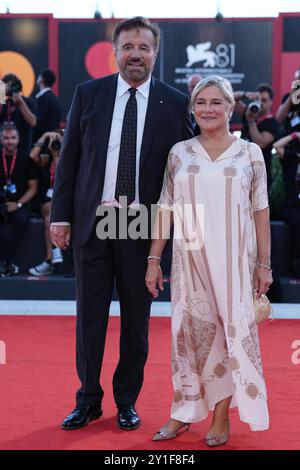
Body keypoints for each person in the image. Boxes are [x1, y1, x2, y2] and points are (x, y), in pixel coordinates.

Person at [50, 16, 193, 432]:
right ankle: (88, 399)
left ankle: (126, 401)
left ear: (155, 53)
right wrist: (60, 215)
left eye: (143, 47)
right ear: (115, 52)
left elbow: (183, 169)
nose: (135, 54)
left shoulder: (174, 101)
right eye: (128, 46)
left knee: (137, 320)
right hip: (93, 222)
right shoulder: (88, 94)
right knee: (88, 318)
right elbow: (70, 159)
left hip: (142, 226)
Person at [146, 76, 272, 446]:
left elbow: (261, 211)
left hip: (235, 263)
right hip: (190, 262)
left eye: (216, 102)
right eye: (200, 103)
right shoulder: (180, 153)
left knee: (231, 333)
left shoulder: (250, 153)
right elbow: (165, 209)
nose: (207, 109)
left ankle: (221, 417)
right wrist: (154, 258)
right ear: (192, 109)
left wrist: (263, 265)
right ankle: (183, 411)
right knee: (188, 334)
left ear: (230, 108)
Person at [0, 122, 38, 276]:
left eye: (13, 138)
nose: (10, 141)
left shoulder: (25, 158)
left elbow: (33, 187)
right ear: (1, 139)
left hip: (19, 203)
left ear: (18, 139)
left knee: (22, 221)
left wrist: (19, 204)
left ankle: (5, 261)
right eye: (6, 138)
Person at [28, 131, 64, 276]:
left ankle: (50, 258)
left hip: (63, 198)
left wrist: (57, 155)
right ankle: (54, 252)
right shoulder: (46, 159)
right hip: (48, 200)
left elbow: (63, 173)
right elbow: (32, 156)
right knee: (49, 213)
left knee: (50, 218)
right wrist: (44, 137)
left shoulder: (70, 155)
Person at [234, 83, 281, 189]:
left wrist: (251, 121)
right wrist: (246, 94)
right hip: (240, 172)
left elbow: (259, 143)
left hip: (259, 176)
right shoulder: (248, 112)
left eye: (264, 100)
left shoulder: (273, 123)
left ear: (271, 102)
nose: (260, 103)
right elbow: (230, 98)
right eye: (258, 99)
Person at [273, 131, 300, 278]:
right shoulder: (292, 159)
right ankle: (296, 265)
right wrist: (295, 135)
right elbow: (277, 146)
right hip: (293, 206)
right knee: (297, 222)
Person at [0, 74, 38, 154]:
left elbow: (33, 122)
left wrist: (20, 103)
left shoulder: (28, 102)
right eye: (6, 86)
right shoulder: (2, 103)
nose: (9, 89)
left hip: (22, 149)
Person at [34, 69, 62, 140]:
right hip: (52, 141)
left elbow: (38, 123)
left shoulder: (42, 99)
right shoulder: (56, 99)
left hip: (41, 142)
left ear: (41, 80)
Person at [276, 67, 300, 136]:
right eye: (296, 81)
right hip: (287, 140)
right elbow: (279, 119)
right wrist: (291, 97)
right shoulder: (287, 97)